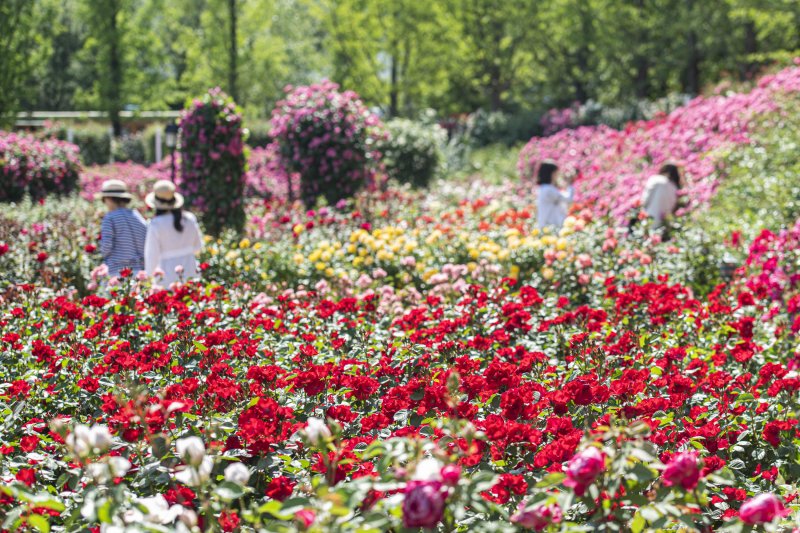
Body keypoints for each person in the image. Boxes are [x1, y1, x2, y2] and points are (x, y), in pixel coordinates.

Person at [144, 180, 203, 285]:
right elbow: (198, 247)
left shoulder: (156, 224)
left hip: (166, 276)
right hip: (190, 270)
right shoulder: (189, 218)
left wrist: (149, 278)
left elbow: (151, 255)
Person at [98, 179, 147, 277]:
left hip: (117, 271)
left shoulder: (110, 218)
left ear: (109, 199)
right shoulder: (137, 216)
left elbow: (106, 246)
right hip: (139, 271)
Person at [641, 163, 681, 228]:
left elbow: (646, 198)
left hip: (649, 217)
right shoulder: (674, 188)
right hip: (663, 223)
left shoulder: (655, 179)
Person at [536, 160, 573, 229]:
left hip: (547, 225)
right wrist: (570, 185)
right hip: (550, 226)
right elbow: (568, 199)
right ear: (551, 173)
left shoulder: (544, 188)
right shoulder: (548, 189)